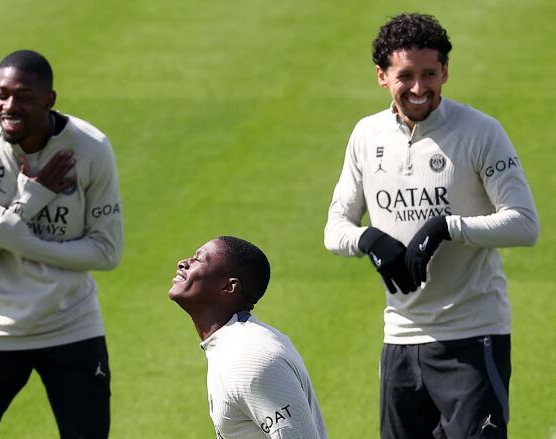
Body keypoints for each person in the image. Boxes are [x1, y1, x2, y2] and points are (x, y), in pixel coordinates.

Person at [324, 12, 539, 439]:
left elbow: (525, 224)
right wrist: (368, 239)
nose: (420, 88)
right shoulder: (367, 136)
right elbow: (335, 229)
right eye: (406, 75)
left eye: (430, 74)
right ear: (381, 76)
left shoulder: (480, 132)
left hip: (474, 338)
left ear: (445, 71)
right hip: (400, 339)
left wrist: (448, 227)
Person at [0, 49, 123, 438]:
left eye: (23, 97)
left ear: (49, 100)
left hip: (70, 324)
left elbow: (107, 252)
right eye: (1, 94)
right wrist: (28, 202)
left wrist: (15, 239)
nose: (9, 106)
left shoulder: (90, 148)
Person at [169, 236, 329, 439]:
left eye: (199, 260)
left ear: (228, 287)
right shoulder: (232, 345)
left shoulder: (249, 358)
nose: (183, 263)